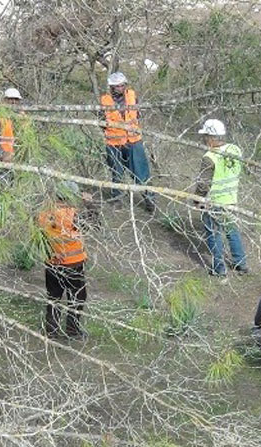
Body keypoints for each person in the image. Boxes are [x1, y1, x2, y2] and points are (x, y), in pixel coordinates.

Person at [37, 181, 92, 339]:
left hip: (52, 263)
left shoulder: (45, 213)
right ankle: (73, 330)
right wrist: (90, 204)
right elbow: (93, 224)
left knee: (53, 297)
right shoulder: (73, 214)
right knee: (77, 297)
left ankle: (51, 330)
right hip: (73, 264)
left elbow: (39, 238)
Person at [194, 118, 248, 277]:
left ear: (211, 137)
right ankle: (240, 263)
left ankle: (219, 268)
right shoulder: (235, 150)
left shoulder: (209, 157)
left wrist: (197, 199)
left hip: (213, 201)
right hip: (231, 199)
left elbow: (203, 184)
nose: (204, 140)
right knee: (232, 231)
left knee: (213, 234)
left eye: (205, 136)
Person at [99, 72, 154, 211]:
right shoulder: (104, 100)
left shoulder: (132, 95)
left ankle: (150, 200)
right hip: (114, 143)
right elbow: (101, 121)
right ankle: (116, 199)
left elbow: (139, 114)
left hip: (134, 140)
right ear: (111, 87)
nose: (120, 88)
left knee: (142, 172)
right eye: (117, 86)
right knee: (116, 173)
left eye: (122, 85)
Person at [0, 88, 21, 163]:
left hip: (14, 158)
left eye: (16, 99)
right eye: (10, 99)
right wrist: (2, 154)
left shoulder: (20, 117)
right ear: (4, 100)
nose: (13, 102)